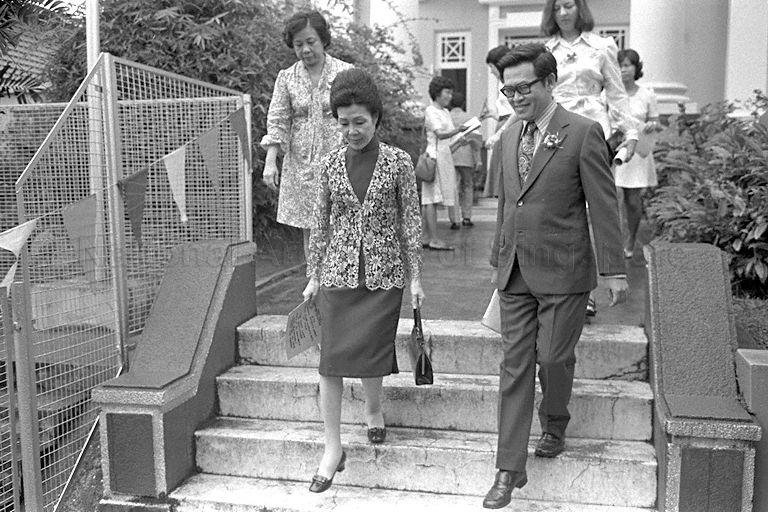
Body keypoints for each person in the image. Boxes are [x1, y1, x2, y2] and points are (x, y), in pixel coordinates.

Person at [482, 44, 628, 509]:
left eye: (524, 87)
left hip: (565, 269)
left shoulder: (584, 133)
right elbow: (509, 203)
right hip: (515, 270)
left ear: (548, 82)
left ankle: (556, 420)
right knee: (514, 366)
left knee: (553, 358)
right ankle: (509, 468)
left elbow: (603, 205)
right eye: (508, 89)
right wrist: (497, 256)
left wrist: (614, 270)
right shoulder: (507, 137)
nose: (516, 97)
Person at [302, 68, 425, 494]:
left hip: (384, 275)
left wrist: (416, 280)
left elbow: (410, 224)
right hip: (338, 275)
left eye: (360, 122)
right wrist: (313, 275)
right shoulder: (329, 163)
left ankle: (374, 409)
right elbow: (320, 223)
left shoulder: (399, 162)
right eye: (344, 122)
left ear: (376, 118)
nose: (352, 130)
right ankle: (332, 447)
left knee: (373, 354)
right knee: (331, 363)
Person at [541, 0, 640, 317]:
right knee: (561, 211)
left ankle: (588, 287)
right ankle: (570, 287)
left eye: (568, 5)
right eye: (557, 8)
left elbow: (615, 91)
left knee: (593, 207)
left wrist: (630, 132)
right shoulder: (545, 49)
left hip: (593, 133)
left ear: (579, 8)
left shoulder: (602, 45)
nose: (563, 13)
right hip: (555, 131)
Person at [260, 10, 353, 260]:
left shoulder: (346, 73)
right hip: (301, 166)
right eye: (298, 44)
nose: (305, 50)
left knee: (343, 226)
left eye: (310, 42)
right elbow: (278, 120)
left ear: (323, 39)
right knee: (310, 232)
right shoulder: (286, 77)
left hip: (340, 161)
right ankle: (315, 288)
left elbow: (360, 117)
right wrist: (270, 163)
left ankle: (342, 291)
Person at [614, 48, 659, 259]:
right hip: (614, 147)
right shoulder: (610, 94)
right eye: (620, 65)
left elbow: (656, 121)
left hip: (638, 150)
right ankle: (613, 239)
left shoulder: (647, 94)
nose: (624, 70)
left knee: (632, 200)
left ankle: (630, 238)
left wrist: (651, 125)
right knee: (611, 197)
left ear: (636, 67)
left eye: (628, 65)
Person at [421, 76, 462, 250]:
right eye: (447, 92)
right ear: (437, 93)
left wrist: (464, 136)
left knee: (432, 198)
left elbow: (451, 138)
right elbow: (440, 134)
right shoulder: (431, 111)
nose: (450, 96)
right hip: (434, 157)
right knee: (431, 198)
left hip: (444, 156)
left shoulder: (445, 112)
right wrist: (459, 130)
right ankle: (434, 239)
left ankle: (425, 237)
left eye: (451, 93)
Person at [483, 45, 513, 198]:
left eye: (491, 67)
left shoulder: (510, 82)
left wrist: (498, 134)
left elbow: (514, 113)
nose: (491, 71)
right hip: (503, 124)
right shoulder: (502, 83)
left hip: (508, 128)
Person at [448, 92, 482, 228]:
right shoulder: (470, 118)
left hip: (451, 155)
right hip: (467, 157)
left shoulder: (447, 117)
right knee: (467, 186)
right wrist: (478, 159)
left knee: (453, 188)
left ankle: (454, 219)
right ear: (463, 103)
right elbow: (476, 141)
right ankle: (466, 217)